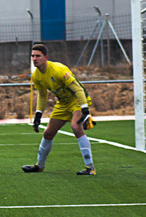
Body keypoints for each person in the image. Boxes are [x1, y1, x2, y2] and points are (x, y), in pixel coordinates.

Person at [22, 43, 96, 175]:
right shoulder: (36, 75)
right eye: (32, 56)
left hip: (77, 100)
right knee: (48, 133)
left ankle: (90, 168)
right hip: (62, 104)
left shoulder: (58, 69)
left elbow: (78, 89)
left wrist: (85, 110)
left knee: (75, 127)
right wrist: (38, 115)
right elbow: (42, 95)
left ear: (46, 57)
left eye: (38, 56)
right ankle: (39, 166)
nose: (34, 59)